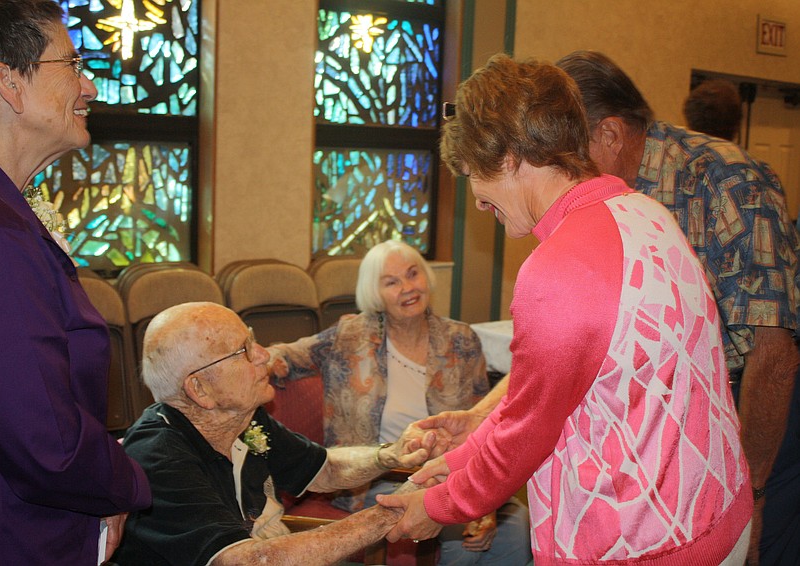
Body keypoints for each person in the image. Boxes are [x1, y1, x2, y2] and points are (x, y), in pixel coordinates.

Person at [377, 54, 752, 564]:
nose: (477, 198)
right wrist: (463, 458)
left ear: (508, 156)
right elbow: (558, 395)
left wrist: (442, 504)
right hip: (712, 511)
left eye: (471, 174)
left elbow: (530, 430)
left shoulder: (558, 268)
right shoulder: (644, 212)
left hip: (645, 542)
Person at [554, 50, 799, 566]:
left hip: (758, 407)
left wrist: (750, 494)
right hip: (680, 411)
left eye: (568, 153)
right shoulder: (607, 200)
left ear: (611, 135)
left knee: (756, 549)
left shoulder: (728, 181)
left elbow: (773, 354)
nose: (563, 173)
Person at [0, 2, 151, 565]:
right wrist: (124, 484)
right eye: (73, 64)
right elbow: (43, 440)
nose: (90, 88)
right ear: (8, 82)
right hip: (0, 532)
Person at [111, 301, 438, 565]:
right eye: (243, 351)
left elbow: (324, 469)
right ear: (199, 390)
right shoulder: (158, 456)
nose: (264, 355)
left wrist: (390, 454)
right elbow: (245, 562)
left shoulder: (244, 418)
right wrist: (389, 513)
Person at [267, 240, 531, 565]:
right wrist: (255, 360)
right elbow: (288, 356)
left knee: (515, 526)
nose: (407, 288)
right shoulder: (349, 336)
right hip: (377, 479)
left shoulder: (460, 339)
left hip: (450, 474)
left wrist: (484, 500)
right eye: (392, 282)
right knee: (459, 533)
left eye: (412, 274)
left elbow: (482, 430)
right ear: (374, 293)